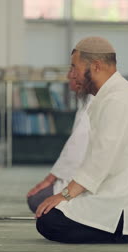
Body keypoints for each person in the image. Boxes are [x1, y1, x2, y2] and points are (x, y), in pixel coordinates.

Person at [35, 36, 128, 243]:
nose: (71, 75)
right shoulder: (112, 94)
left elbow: (99, 161)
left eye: (74, 68)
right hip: (116, 194)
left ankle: (127, 234)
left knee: (49, 221)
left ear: (96, 66)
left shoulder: (117, 100)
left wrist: (64, 195)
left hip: (123, 202)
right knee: (49, 209)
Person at [26, 73, 94, 213]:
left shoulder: (94, 105)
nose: (69, 75)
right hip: (82, 178)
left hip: (90, 181)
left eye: (73, 70)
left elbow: (76, 150)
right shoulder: (87, 102)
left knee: (37, 200)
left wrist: (49, 180)